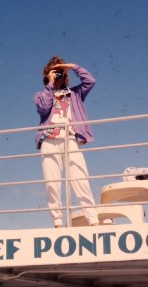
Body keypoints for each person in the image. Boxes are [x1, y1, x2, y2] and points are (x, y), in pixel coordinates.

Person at [34, 55, 99, 228]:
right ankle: (57, 223)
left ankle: (93, 220)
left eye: (60, 73)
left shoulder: (75, 93)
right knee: (52, 183)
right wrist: (50, 84)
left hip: (70, 138)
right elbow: (42, 108)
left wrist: (73, 66)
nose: (57, 76)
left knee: (80, 178)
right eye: (54, 73)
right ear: (47, 75)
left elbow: (90, 81)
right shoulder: (42, 95)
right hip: (49, 138)